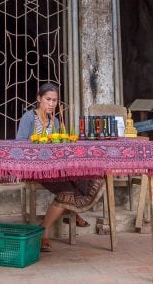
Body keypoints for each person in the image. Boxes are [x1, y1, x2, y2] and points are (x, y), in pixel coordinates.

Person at [16, 82, 104, 252]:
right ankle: (44, 232)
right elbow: (19, 145)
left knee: (87, 178)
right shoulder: (29, 117)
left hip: (55, 168)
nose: (51, 103)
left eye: (54, 100)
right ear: (39, 99)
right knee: (66, 192)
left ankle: (72, 212)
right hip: (36, 168)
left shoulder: (55, 121)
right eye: (47, 99)